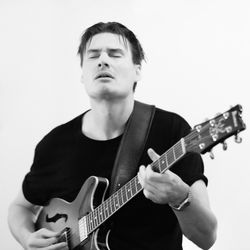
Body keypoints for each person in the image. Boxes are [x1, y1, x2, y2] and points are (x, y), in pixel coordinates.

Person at [8, 22, 217, 250]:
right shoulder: (54, 144)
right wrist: (28, 238)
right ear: (82, 74)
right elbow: (20, 208)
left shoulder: (172, 131)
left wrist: (180, 197)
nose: (103, 60)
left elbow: (207, 238)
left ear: (137, 70)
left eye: (115, 54)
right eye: (93, 55)